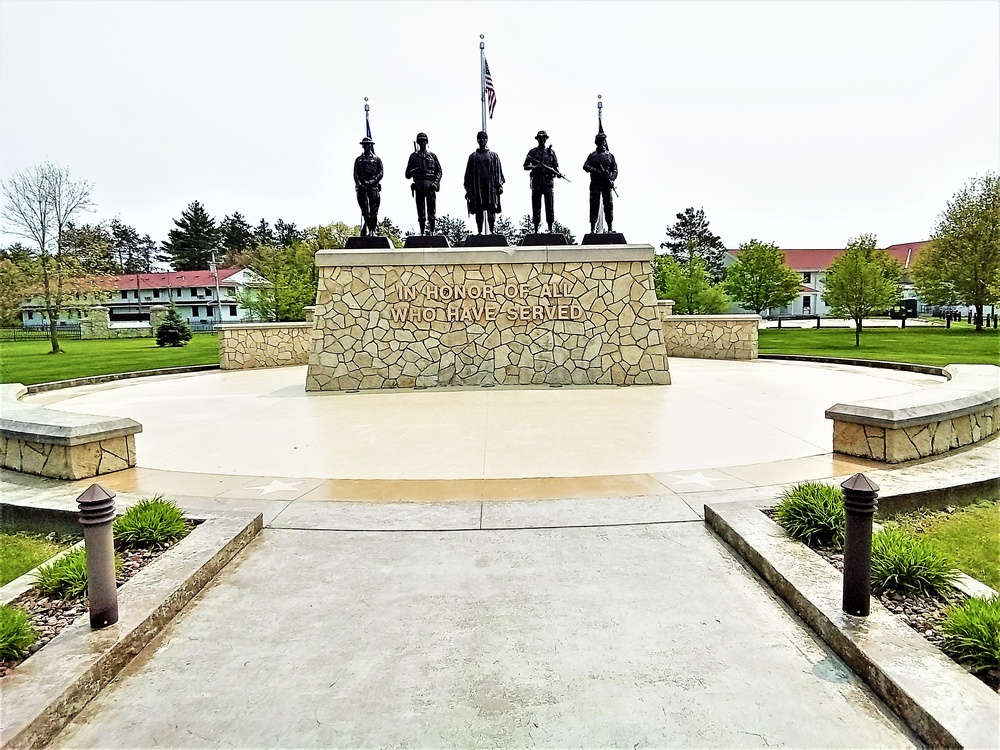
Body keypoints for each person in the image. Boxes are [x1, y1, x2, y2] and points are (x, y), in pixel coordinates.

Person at [464, 131, 505, 234]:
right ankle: (479, 231)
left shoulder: (493, 156)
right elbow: (468, 174)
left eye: (484, 138)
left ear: (487, 140)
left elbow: (498, 171)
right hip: (477, 187)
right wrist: (468, 189)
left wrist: (499, 185)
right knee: (479, 208)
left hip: (490, 187)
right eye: (480, 138)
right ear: (477, 140)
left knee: (491, 208)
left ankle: (492, 230)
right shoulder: (473, 157)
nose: (482, 140)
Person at [404, 132, 442, 235]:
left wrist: (436, 182)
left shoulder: (432, 156)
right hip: (419, 185)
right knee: (420, 211)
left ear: (427, 142)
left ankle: (432, 231)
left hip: (430, 186)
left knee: (432, 210)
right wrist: (415, 170)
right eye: (420, 141)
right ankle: (421, 232)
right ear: (418, 143)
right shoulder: (413, 157)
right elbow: (407, 174)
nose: (422, 143)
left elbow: (439, 171)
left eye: (424, 141)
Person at [523, 130, 559, 233]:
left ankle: (551, 228)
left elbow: (556, 167)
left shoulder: (551, 153)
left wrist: (557, 173)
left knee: (550, 206)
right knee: (536, 207)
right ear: (538, 139)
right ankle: (535, 229)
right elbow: (525, 166)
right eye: (540, 139)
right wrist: (535, 167)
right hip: (537, 182)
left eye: (543, 138)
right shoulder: (532, 152)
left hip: (548, 182)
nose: (542, 140)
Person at [583, 132, 618, 233]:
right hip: (595, 183)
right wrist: (597, 171)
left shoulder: (610, 156)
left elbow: (615, 169)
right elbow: (585, 166)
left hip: (606, 184)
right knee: (594, 205)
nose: (601, 143)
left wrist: (611, 178)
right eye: (599, 141)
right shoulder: (592, 156)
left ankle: (610, 227)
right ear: (596, 143)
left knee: (608, 205)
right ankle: (592, 228)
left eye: (603, 141)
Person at [353, 137, 384, 237]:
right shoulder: (358, 160)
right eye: (365, 145)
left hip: (373, 187)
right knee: (365, 211)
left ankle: (372, 230)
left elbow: (380, 173)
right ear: (363, 146)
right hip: (362, 189)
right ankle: (367, 229)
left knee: (374, 211)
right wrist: (359, 185)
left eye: (368, 144)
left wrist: (372, 181)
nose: (367, 146)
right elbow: (355, 174)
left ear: (371, 146)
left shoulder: (377, 159)